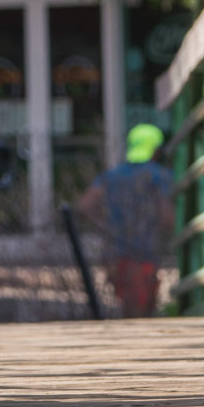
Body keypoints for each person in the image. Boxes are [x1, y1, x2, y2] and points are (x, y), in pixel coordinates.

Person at [78, 123, 176, 318]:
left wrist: (105, 223)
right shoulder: (160, 175)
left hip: (116, 250)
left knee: (127, 305)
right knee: (142, 307)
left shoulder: (111, 175)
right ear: (156, 149)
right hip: (146, 251)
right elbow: (168, 217)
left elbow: (85, 205)